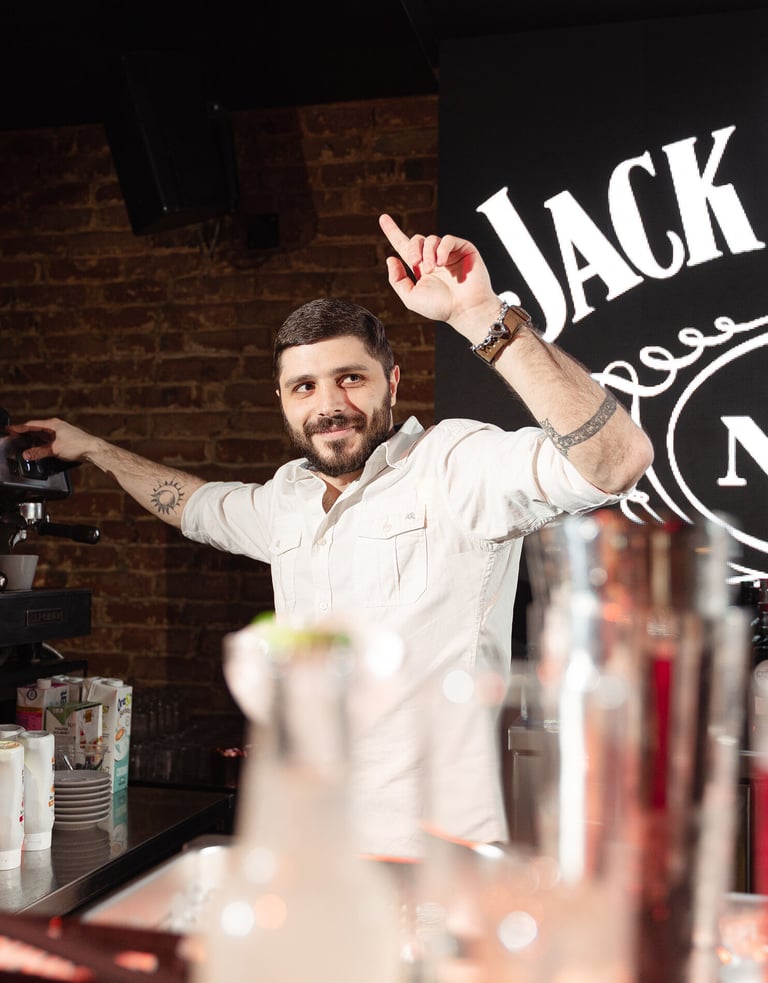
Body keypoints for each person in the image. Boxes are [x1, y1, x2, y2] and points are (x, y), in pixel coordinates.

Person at [9, 214, 653, 857]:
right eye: (305, 387)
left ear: (391, 382)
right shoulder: (286, 497)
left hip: (434, 858)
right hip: (311, 850)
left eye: (351, 378)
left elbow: (617, 460)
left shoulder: (456, 465)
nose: (329, 405)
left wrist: (480, 315)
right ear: (283, 400)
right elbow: (193, 506)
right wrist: (93, 449)